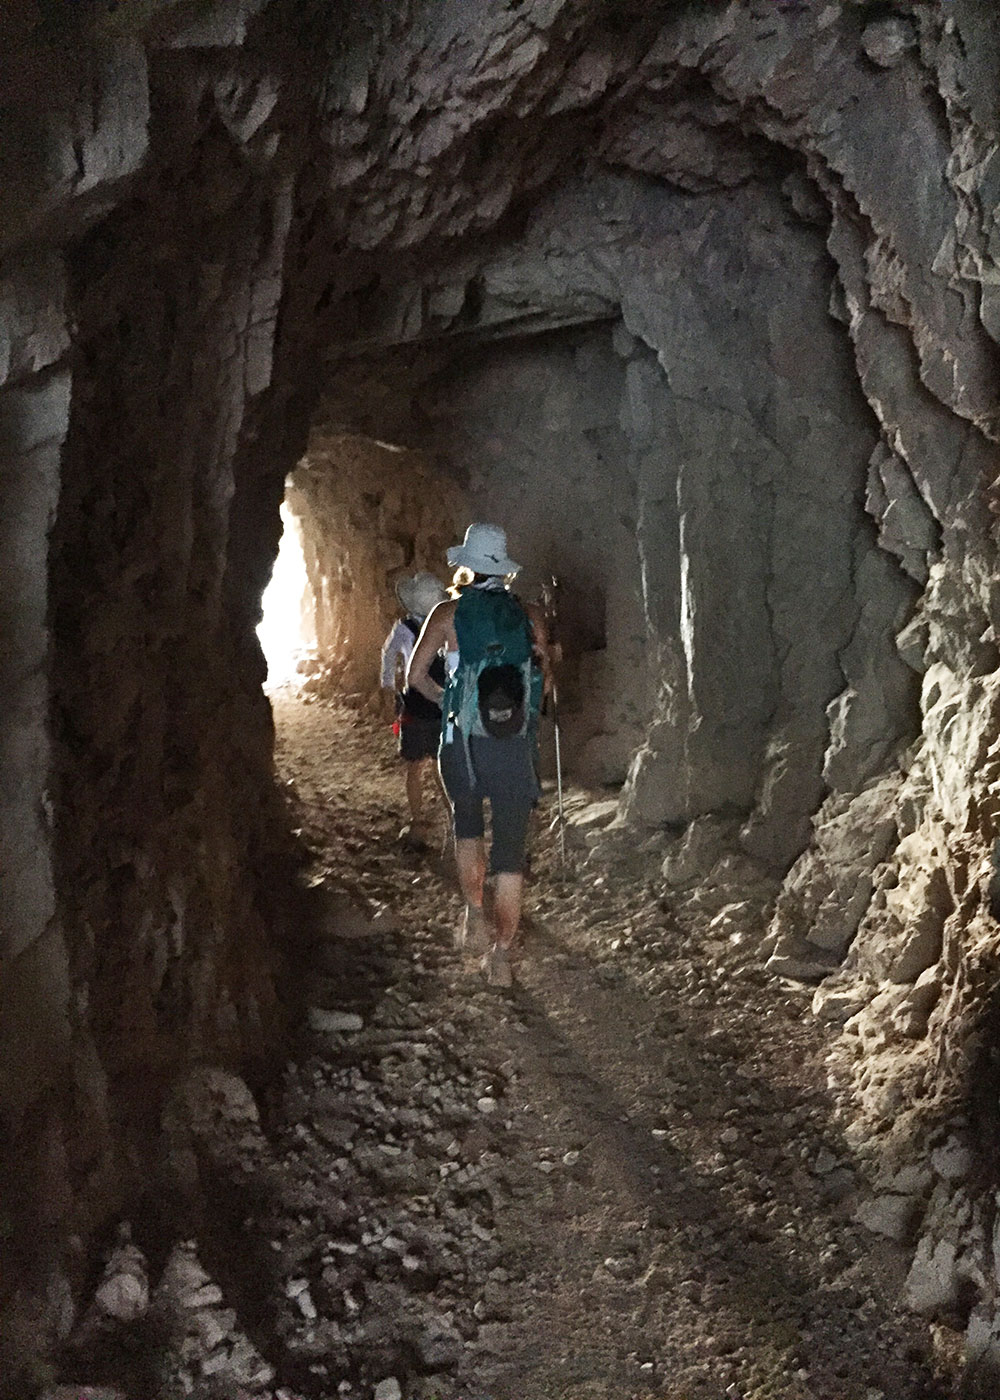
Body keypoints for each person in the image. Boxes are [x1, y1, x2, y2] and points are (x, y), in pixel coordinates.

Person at [407, 524, 550, 986]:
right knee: (510, 852)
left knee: (467, 828)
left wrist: (450, 705)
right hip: (513, 747)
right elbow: (544, 682)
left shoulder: (447, 614)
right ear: (504, 570)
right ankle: (502, 958)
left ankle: (472, 914)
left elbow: (416, 677)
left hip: (463, 746)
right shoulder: (529, 615)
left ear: (466, 565)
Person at [380, 571, 448, 847]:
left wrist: (387, 686)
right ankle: (454, 817)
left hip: (415, 702)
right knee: (443, 763)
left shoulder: (404, 627)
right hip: (443, 701)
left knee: (414, 765)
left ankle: (418, 822)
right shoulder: (445, 623)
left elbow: (388, 654)